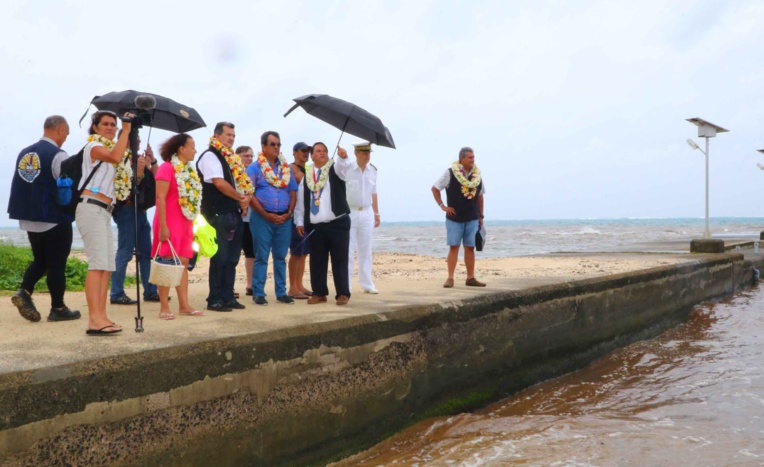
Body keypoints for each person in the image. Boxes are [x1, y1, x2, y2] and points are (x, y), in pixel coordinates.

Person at [7, 115, 81, 322]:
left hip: (29, 217)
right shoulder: (58, 155)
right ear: (60, 130)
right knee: (57, 265)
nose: (65, 138)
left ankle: (24, 292)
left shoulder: (25, 153)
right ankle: (58, 308)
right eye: (66, 134)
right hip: (53, 217)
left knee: (41, 260)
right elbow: (66, 186)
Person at [78, 110, 134, 335]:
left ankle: (101, 316)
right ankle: (94, 319)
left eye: (113, 124)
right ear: (95, 127)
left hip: (105, 211)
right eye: (106, 124)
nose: (110, 127)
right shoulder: (93, 147)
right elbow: (114, 157)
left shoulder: (112, 149)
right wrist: (126, 130)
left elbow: (119, 163)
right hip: (91, 207)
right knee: (97, 264)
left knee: (107, 266)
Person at [196, 122, 252, 312]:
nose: (231, 138)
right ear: (217, 136)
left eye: (233, 135)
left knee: (232, 257)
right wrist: (240, 199)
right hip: (217, 212)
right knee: (220, 257)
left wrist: (245, 198)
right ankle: (215, 298)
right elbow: (219, 183)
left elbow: (239, 183)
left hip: (232, 212)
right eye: (228, 135)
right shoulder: (210, 155)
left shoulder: (231, 158)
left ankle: (228, 296)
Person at [151, 134, 204, 319]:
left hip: (184, 221)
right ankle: (164, 307)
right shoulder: (166, 168)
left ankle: (184, 305)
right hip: (168, 221)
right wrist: (163, 226)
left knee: (183, 262)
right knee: (166, 261)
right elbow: (160, 198)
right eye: (192, 147)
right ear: (181, 149)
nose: (195, 151)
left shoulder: (189, 171)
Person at [294, 142, 353, 305]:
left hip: (337, 223)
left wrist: (343, 157)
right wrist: (299, 222)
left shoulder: (334, 168)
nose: (322, 153)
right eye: (318, 151)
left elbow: (344, 169)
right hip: (316, 225)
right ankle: (319, 293)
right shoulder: (307, 175)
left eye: (325, 151)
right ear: (312, 155)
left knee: (340, 259)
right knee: (317, 261)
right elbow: (301, 202)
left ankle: (343, 293)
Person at [246, 131, 298, 306]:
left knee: (280, 257)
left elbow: (293, 192)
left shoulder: (286, 168)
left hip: (284, 219)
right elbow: (249, 194)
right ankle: (258, 293)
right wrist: (265, 214)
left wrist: (289, 213)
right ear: (263, 146)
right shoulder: (254, 168)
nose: (276, 147)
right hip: (262, 218)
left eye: (278, 144)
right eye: (272, 144)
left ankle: (281, 293)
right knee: (261, 256)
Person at [110, 132, 161, 305]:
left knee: (146, 252)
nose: (138, 140)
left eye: (139, 137)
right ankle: (116, 293)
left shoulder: (138, 159)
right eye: (135, 137)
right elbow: (127, 186)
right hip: (126, 208)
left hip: (141, 210)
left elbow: (157, 178)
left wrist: (152, 161)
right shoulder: (119, 158)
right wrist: (138, 172)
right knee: (125, 251)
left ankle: (150, 290)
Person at [431, 147, 486, 288]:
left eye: (473, 157)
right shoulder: (450, 173)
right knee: (454, 247)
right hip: (454, 218)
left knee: (470, 247)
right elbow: (435, 188)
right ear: (462, 159)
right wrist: (442, 206)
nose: (473, 160)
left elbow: (480, 196)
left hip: (472, 217)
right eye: (470, 157)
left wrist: (481, 216)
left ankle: (470, 278)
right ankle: (450, 278)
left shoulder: (477, 175)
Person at [345, 142, 380, 294]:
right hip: (350, 212)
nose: (367, 156)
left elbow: (374, 192)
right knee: (348, 250)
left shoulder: (373, 170)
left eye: (368, 153)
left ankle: (367, 284)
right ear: (356, 153)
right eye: (364, 153)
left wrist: (377, 213)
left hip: (366, 212)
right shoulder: (347, 169)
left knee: (366, 250)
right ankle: (346, 285)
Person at [287, 142, 312, 299]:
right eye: (303, 150)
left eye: (308, 151)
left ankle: (299, 284)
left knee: (304, 253)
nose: (306, 153)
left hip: (307, 215)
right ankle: (292, 287)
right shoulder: (291, 168)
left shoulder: (308, 169)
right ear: (295, 152)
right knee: (296, 252)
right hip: (295, 215)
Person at [236, 145, 255, 297]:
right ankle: (229, 287)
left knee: (251, 252)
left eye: (251, 156)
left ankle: (250, 285)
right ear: (237, 157)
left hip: (251, 219)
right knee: (233, 253)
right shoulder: (233, 172)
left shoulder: (254, 172)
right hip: (236, 217)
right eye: (245, 156)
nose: (249, 158)